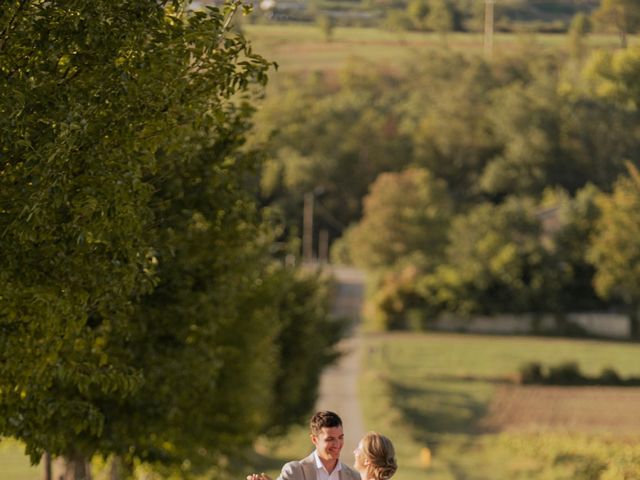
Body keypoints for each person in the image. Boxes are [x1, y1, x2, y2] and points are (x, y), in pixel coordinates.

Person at [247, 411, 361, 480]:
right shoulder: (294, 471)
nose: (337, 444)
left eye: (340, 438)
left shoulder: (354, 477)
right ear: (314, 439)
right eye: (330, 439)